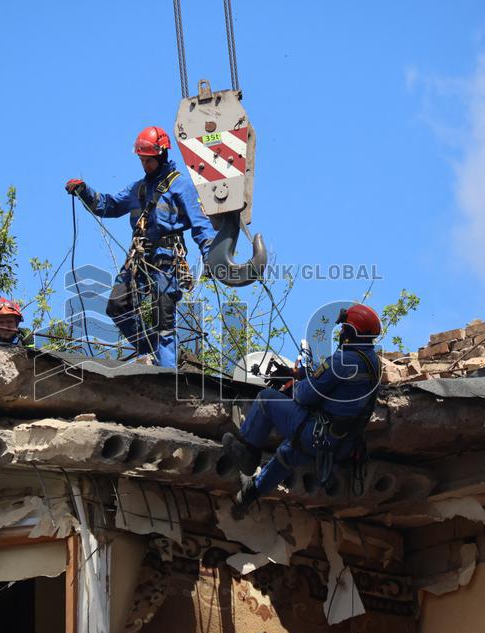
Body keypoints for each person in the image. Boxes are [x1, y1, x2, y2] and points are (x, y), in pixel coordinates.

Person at [65, 126, 216, 367]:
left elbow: (201, 224)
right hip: (139, 258)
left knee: (163, 317)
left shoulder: (181, 185)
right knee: (117, 305)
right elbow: (109, 205)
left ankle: (167, 374)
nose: (145, 165)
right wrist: (85, 192)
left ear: (162, 155)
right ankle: (151, 352)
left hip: (166, 259)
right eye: (142, 160)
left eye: (149, 161)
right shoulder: (138, 189)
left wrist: (211, 256)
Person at [224, 304, 383, 519]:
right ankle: (249, 496)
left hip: (315, 435)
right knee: (287, 453)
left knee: (266, 399)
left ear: (351, 331)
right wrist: (304, 375)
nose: (341, 331)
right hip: (341, 444)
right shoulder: (373, 363)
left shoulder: (342, 360)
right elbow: (339, 387)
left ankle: (249, 455)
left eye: (344, 327)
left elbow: (304, 396)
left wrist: (296, 384)